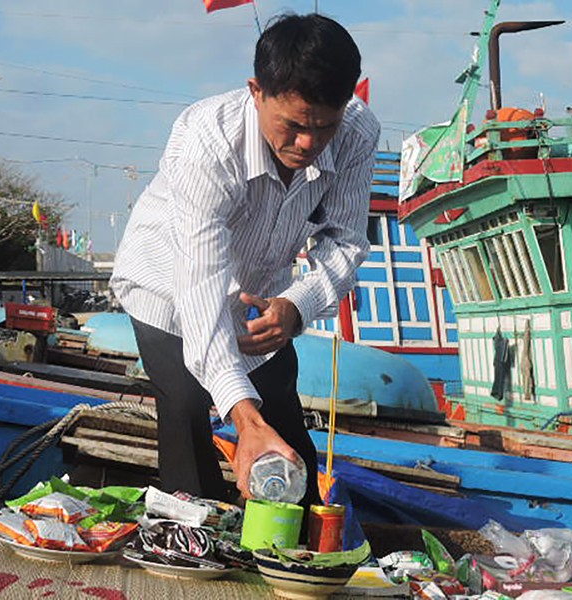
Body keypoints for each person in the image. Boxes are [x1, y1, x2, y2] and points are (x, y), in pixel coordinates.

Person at [110, 13, 379, 509]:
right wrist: (243, 420)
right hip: (168, 286)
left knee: (289, 446)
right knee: (190, 404)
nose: (308, 144)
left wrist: (296, 306)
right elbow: (201, 289)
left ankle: (285, 559)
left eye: (324, 127)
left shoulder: (358, 133)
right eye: (294, 125)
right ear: (257, 91)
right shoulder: (206, 143)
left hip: (260, 296)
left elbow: (344, 240)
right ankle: (190, 536)